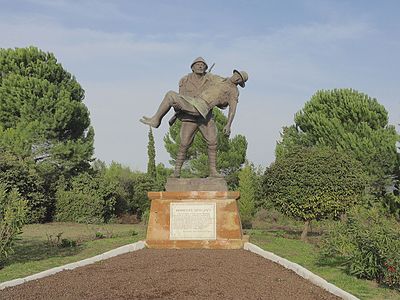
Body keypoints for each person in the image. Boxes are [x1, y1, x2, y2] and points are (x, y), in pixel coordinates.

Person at [140, 68, 248, 178]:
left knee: (213, 141)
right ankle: (177, 171)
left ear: (240, 83)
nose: (237, 78)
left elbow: (232, 110)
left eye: (240, 79)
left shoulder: (233, 91)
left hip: (203, 109)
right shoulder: (217, 78)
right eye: (237, 75)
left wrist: (228, 125)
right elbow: (201, 74)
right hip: (194, 106)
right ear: (234, 73)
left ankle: (213, 172)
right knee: (184, 143)